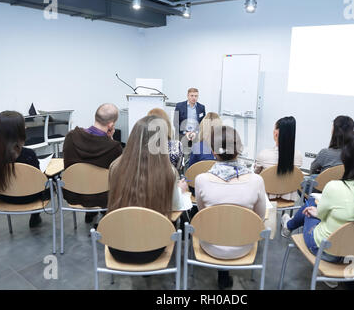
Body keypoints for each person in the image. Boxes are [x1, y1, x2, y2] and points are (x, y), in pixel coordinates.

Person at [281, 131, 354, 264]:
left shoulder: (336, 187)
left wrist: (317, 212)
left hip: (327, 251)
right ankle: (289, 226)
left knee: (311, 203)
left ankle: (288, 226)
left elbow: (322, 216)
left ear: (347, 157)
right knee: (316, 208)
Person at [107, 115, 192, 264]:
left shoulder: (115, 167)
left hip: (117, 245)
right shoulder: (168, 172)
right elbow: (176, 207)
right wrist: (179, 189)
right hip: (153, 248)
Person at [195, 125, 267, 289]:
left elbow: (202, 214)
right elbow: (259, 219)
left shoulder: (201, 180)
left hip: (211, 244)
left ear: (214, 151)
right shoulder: (256, 181)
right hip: (243, 245)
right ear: (239, 149)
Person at [0, 111, 50, 228]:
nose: (25, 127)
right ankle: (35, 216)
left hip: (4, 196)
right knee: (51, 183)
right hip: (31, 197)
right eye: (23, 126)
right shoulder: (28, 154)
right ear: (19, 131)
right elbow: (40, 183)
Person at [62, 103, 123, 223]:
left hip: (74, 193)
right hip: (102, 198)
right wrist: (110, 140)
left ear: (95, 117)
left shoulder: (70, 137)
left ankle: (90, 214)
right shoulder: (114, 147)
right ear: (111, 125)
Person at [254, 116, 303, 201]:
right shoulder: (298, 155)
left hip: (267, 198)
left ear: (276, 133)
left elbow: (256, 174)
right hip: (288, 197)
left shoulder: (264, 154)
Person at [173, 88, 206, 159]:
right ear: (188, 96)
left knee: (195, 156)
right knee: (183, 157)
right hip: (183, 135)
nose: (194, 98)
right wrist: (185, 133)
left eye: (196, 96)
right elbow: (175, 122)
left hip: (196, 136)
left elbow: (203, 123)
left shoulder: (201, 107)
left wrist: (196, 133)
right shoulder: (179, 106)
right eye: (192, 95)